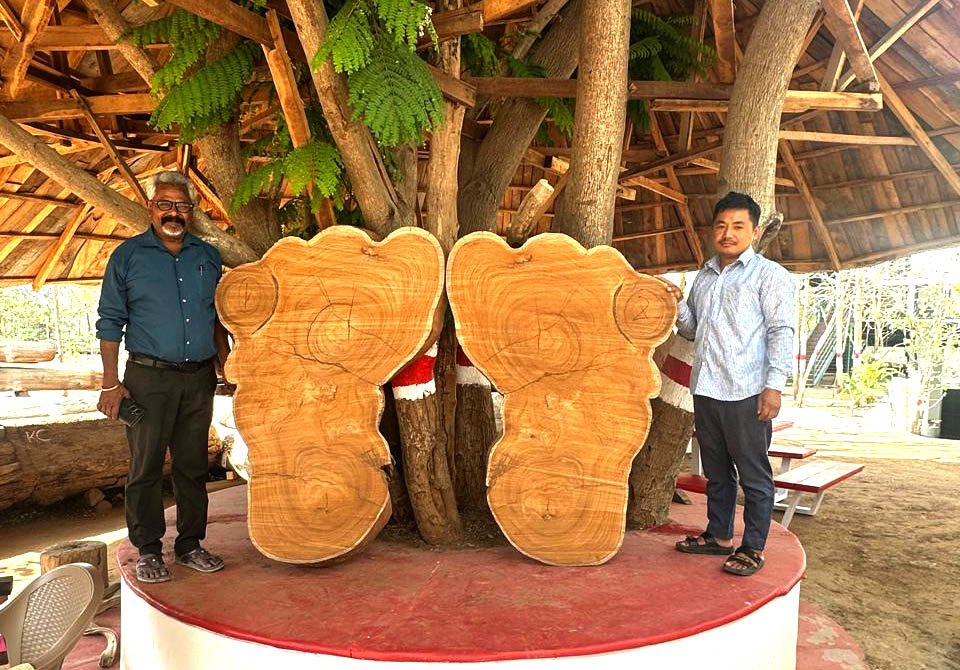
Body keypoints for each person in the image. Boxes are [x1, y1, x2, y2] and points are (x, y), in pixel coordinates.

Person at [96, 170, 228, 583]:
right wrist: (110, 383)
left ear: (191, 212)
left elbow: (215, 316)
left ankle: (190, 545)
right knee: (146, 466)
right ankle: (149, 550)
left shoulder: (207, 257)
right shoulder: (128, 257)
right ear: (151, 208)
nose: (174, 212)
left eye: (182, 206)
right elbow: (109, 322)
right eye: (165, 204)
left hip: (198, 378)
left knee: (193, 465)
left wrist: (225, 362)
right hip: (148, 379)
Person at [667, 191, 795, 577]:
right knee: (717, 472)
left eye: (738, 226)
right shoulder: (704, 278)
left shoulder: (770, 276)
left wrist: (774, 386)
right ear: (713, 231)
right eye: (721, 226)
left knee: (754, 474)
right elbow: (692, 330)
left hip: (747, 392)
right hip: (706, 389)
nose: (728, 233)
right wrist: (678, 304)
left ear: (754, 232)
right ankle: (718, 536)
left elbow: (781, 331)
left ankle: (752, 547)